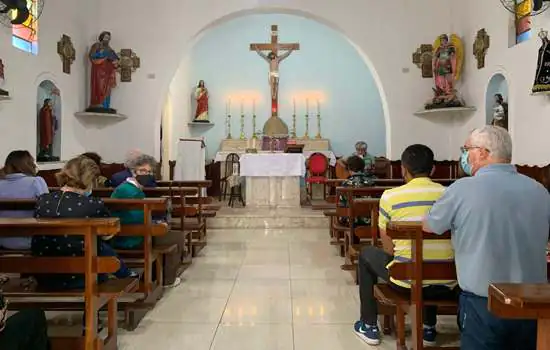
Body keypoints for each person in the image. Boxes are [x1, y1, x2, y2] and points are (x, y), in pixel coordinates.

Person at [423, 126, 549, 350]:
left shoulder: (462, 189)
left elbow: (431, 225)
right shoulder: (539, 190)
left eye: (466, 149)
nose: (464, 155)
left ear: (482, 152)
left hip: (483, 302)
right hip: (533, 300)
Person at [354, 144, 456, 346]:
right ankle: (428, 327)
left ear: (403, 169)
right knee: (432, 257)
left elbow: (389, 248)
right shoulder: (450, 195)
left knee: (367, 255)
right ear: (433, 169)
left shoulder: (391, 196)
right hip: (448, 281)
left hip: (405, 282)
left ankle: (369, 326)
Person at [32, 156, 137, 290]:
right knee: (99, 244)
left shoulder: (43, 201)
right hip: (84, 275)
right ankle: (125, 274)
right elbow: (107, 235)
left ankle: (124, 273)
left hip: (44, 274)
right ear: (90, 180)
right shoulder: (93, 204)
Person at [110, 154, 180, 287]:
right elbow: (137, 218)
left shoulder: (129, 188)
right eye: (142, 171)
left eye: (149, 172)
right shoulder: (130, 191)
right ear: (133, 171)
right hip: (131, 237)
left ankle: (156, 274)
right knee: (176, 238)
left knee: (169, 233)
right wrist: (157, 224)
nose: (146, 174)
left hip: (128, 232)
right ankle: (164, 279)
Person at [0, 150, 48, 250]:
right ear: (29, 164)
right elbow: (47, 208)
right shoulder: (36, 182)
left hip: (2, 240)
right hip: (32, 239)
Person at [338, 155, 375, 227]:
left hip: (350, 219)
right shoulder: (370, 182)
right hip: (369, 218)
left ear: (349, 168)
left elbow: (342, 203)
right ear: (363, 167)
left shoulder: (346, 183)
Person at [88, 31, 119, 112]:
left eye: (108, 38)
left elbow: (116, 61)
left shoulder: (110, 49)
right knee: (99, 87)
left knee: (107, 89)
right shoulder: (96, 46)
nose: (107, 40)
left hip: (107, 72)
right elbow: (91, 56)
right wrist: (101, 54)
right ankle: (97, 104)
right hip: (98, 71)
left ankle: (105, 105)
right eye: (105, 37)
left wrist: (115, 62)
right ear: (101, 37)